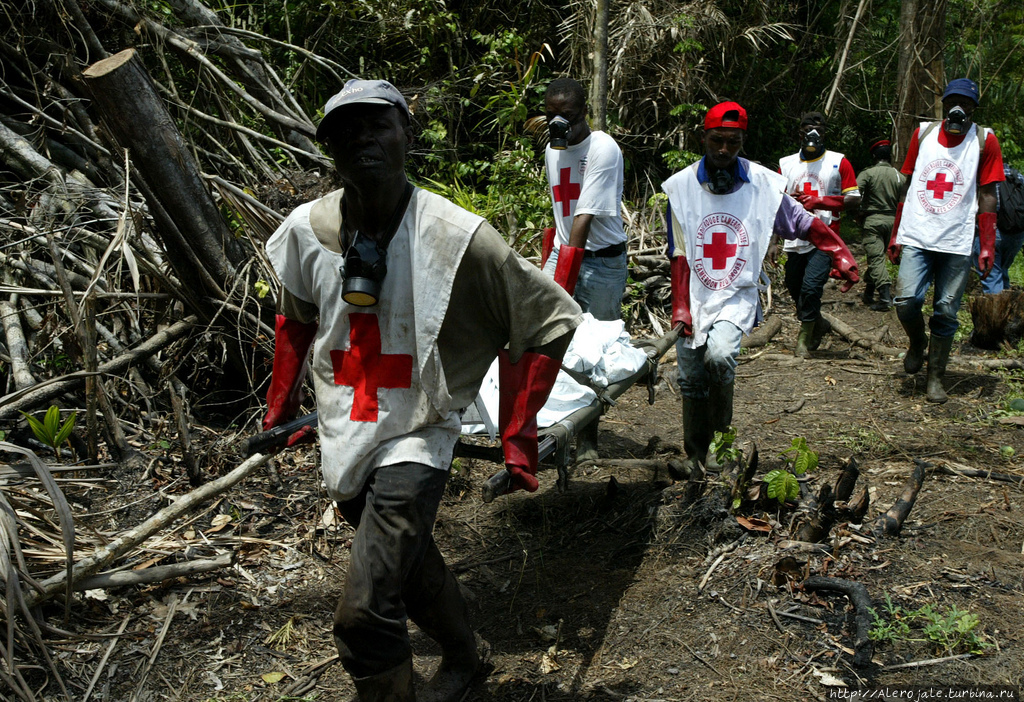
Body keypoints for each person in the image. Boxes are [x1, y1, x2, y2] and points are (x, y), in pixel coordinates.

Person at [262, 79, 582, 701]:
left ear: (407, 133)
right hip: (345, 430)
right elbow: (295, 322)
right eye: (346, 132)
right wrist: (280, 412)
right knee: (408, 569)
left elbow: (549, 319)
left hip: (418, 432)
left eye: (377, 126)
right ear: (329, 148)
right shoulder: (305, 231)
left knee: (362, 613)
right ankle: (466, 661)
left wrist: (518, 434)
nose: (364, 142)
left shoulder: (454, 235)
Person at [662, 102, 859, 473]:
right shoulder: (681, 188)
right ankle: (694, 455)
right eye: (717, 140)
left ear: (742, 142)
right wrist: (680, 307)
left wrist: (839, 252)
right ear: (703, 137)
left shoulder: (763, 185)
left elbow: (803, 223)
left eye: (733, 143)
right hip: (694, 292)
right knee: (690, 376)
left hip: (736, 291)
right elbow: (679, 253)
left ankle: (721, 444)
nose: (723, 150)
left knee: (719, 357)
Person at [887, 77, 1004, 403]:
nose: (957, 109)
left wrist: (988, 243)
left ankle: (934, 377)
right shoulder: (922, 134)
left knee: (946, 311)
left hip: (956, 239)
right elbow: (907, 185)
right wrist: (896, 233)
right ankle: (917, 342)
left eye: (965, 104)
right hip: (918, 234)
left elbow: (988, 194)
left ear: (973, 108)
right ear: (942, 105)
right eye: (952, 102)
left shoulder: (984, 141)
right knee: (906, 300)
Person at [541, 76, 629, 462]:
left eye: (570, 117)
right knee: (546, 341)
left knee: (592, 349)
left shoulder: (602, 148)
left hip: (601, 262)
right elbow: (561, 216)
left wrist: (561, 282)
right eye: (552, 116)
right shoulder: (551, 149)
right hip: (564, 254)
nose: (561, 125)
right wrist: (554, 267)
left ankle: (589, 439)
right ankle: (552, 427)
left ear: (585, 114)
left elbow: (583, 217)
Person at [778, 112, 861, 357]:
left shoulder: (838, 162)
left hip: (825, 239)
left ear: (825, 133)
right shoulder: (786, 163)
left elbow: (854, 199)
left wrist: (821, 201)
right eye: (807, 129)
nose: (812, 135)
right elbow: (777, 202)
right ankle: (819, 324)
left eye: (819, 130)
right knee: (794, 286)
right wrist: (774, 241)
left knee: (812, 287)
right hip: (794, 238)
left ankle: (804, 340)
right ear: (799, 132)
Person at [855, 137, 905, 310]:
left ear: (874, 156)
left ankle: (884, 299)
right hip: (893, 224)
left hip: (873, 221)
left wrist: (858, 213)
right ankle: (869, 293)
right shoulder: (899, 176)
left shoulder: (868, 174)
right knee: (877, 258)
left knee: (876, 259)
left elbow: (854, 194)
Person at [972, 163, 1024, 293]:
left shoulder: (983, 174)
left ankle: (997, 311)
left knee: (991, 276)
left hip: (992, 233)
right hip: (1016, 234)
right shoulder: (1016, 174)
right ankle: (1009, 309)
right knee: (1002, 271)